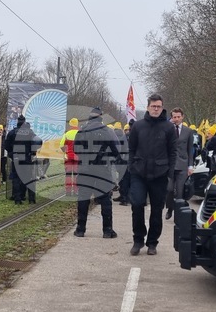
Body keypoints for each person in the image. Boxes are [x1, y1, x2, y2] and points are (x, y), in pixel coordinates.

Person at [127, 94, 175, 256]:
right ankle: (138, 239)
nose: (156, 109)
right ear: (148, 107)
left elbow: (173, 152)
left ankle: (152, 242)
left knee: (157, 210)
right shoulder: (138, 126)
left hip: (160, 174)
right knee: (137, 204)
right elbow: (131, 149)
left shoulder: (168, 128)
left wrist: (170, 172)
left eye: (159, 106)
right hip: (139, 173)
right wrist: (132, 166)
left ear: (162, 108)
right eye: (153, 106)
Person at [73, 107, 121, 238]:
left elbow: (76, 149)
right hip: (102, 170)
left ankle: (80, 229)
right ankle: (107, 230)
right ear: (101, 118)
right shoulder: (108, 131)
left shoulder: (81, 131)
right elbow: (117, 150)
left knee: (83, 199)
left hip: (85, 169)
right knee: (106, 199)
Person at [166, 107, 196, 221]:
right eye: (174, 117)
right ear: (171, 117)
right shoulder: (168, 130)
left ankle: (178, 215)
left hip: (183, 164)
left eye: (178, 117)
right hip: (170, 165)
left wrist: (190, 166)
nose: (177, 119)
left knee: (180, 192)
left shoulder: (188, 131)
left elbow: (190, 150)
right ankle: (169, 208)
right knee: (169, 189)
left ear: (182, 117)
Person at [8, 116, 42, 204]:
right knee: (29, 178)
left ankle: (18, 199)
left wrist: (11, 154)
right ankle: (31, 199)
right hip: (27, 158)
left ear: (17, 122)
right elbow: (38, 141)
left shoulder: (12, 133)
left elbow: (7, 145)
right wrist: (33, 152)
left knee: (16, 178)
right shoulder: (30, 132)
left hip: (16, 158)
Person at [60, 117, 80, 193]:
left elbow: (61, 145)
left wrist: (65, 152)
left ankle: (68, 191)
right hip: (77, 157)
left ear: (70, 125)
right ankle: (76, 190)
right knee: (76, 174)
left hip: (68, 156)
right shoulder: (80, 133)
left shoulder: (66, 134)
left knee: (68, 174)